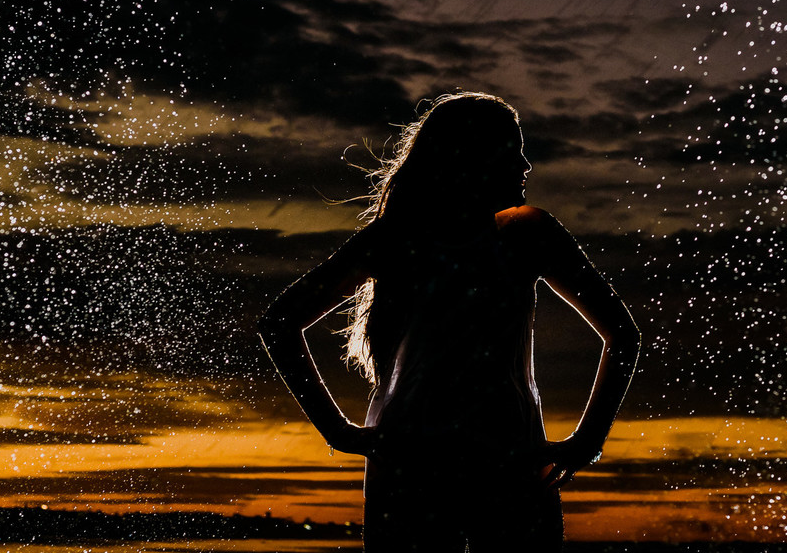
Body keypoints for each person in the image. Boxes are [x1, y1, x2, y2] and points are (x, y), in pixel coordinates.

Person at [258, 92, 640, 552]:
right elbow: (278, 322)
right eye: (511, 151)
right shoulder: (520, 235)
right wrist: (336, 431)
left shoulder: (415, 238)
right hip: (487, 457)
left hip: (432, 460)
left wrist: (338, 431)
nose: (525, 165)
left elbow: (624, 336)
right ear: (469, 156)